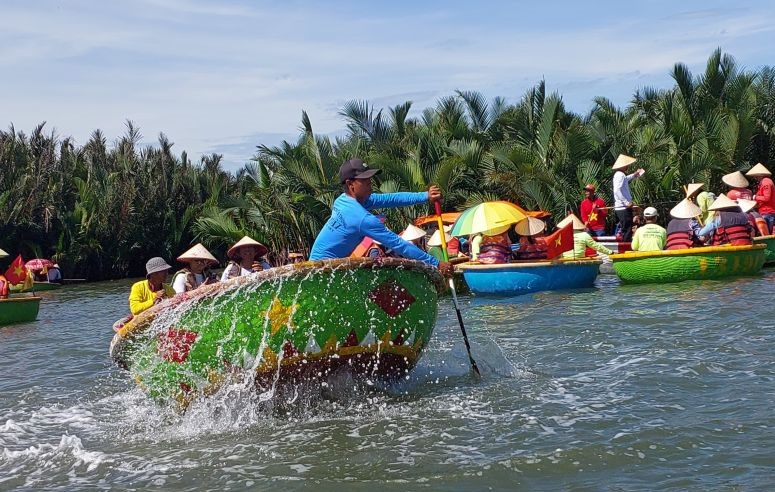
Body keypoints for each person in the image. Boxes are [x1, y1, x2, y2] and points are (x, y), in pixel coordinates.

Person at [309, 158, 453, 276]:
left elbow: (391, 199)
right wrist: (436, 263)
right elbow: (398, 244)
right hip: (320, 270)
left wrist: (425, 196)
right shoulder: (362, 219)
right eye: (365, 180)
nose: (370, 184)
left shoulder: (342, 201)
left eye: (370, 179)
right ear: (350, 184)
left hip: (319, 266)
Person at [612, 154, 645, 242]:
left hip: (623, 206)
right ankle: (625, 247)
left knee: (627, 228)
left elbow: (626, 179)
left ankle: (625, 246)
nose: (627, 166)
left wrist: (634, 175)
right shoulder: (619, 175)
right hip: (623, 207)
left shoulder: (620, 175)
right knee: (627, 229)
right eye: (626, 165)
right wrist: (626, 202)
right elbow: (617, 190)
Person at [747, 163, 775, 233]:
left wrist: (755, 197)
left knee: (767, 234)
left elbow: (767, 198)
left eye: (756, 176)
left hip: (768, 212)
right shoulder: (764, 182)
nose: (755, 178)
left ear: (760, 175)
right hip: (765, 211)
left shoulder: (766, 182)